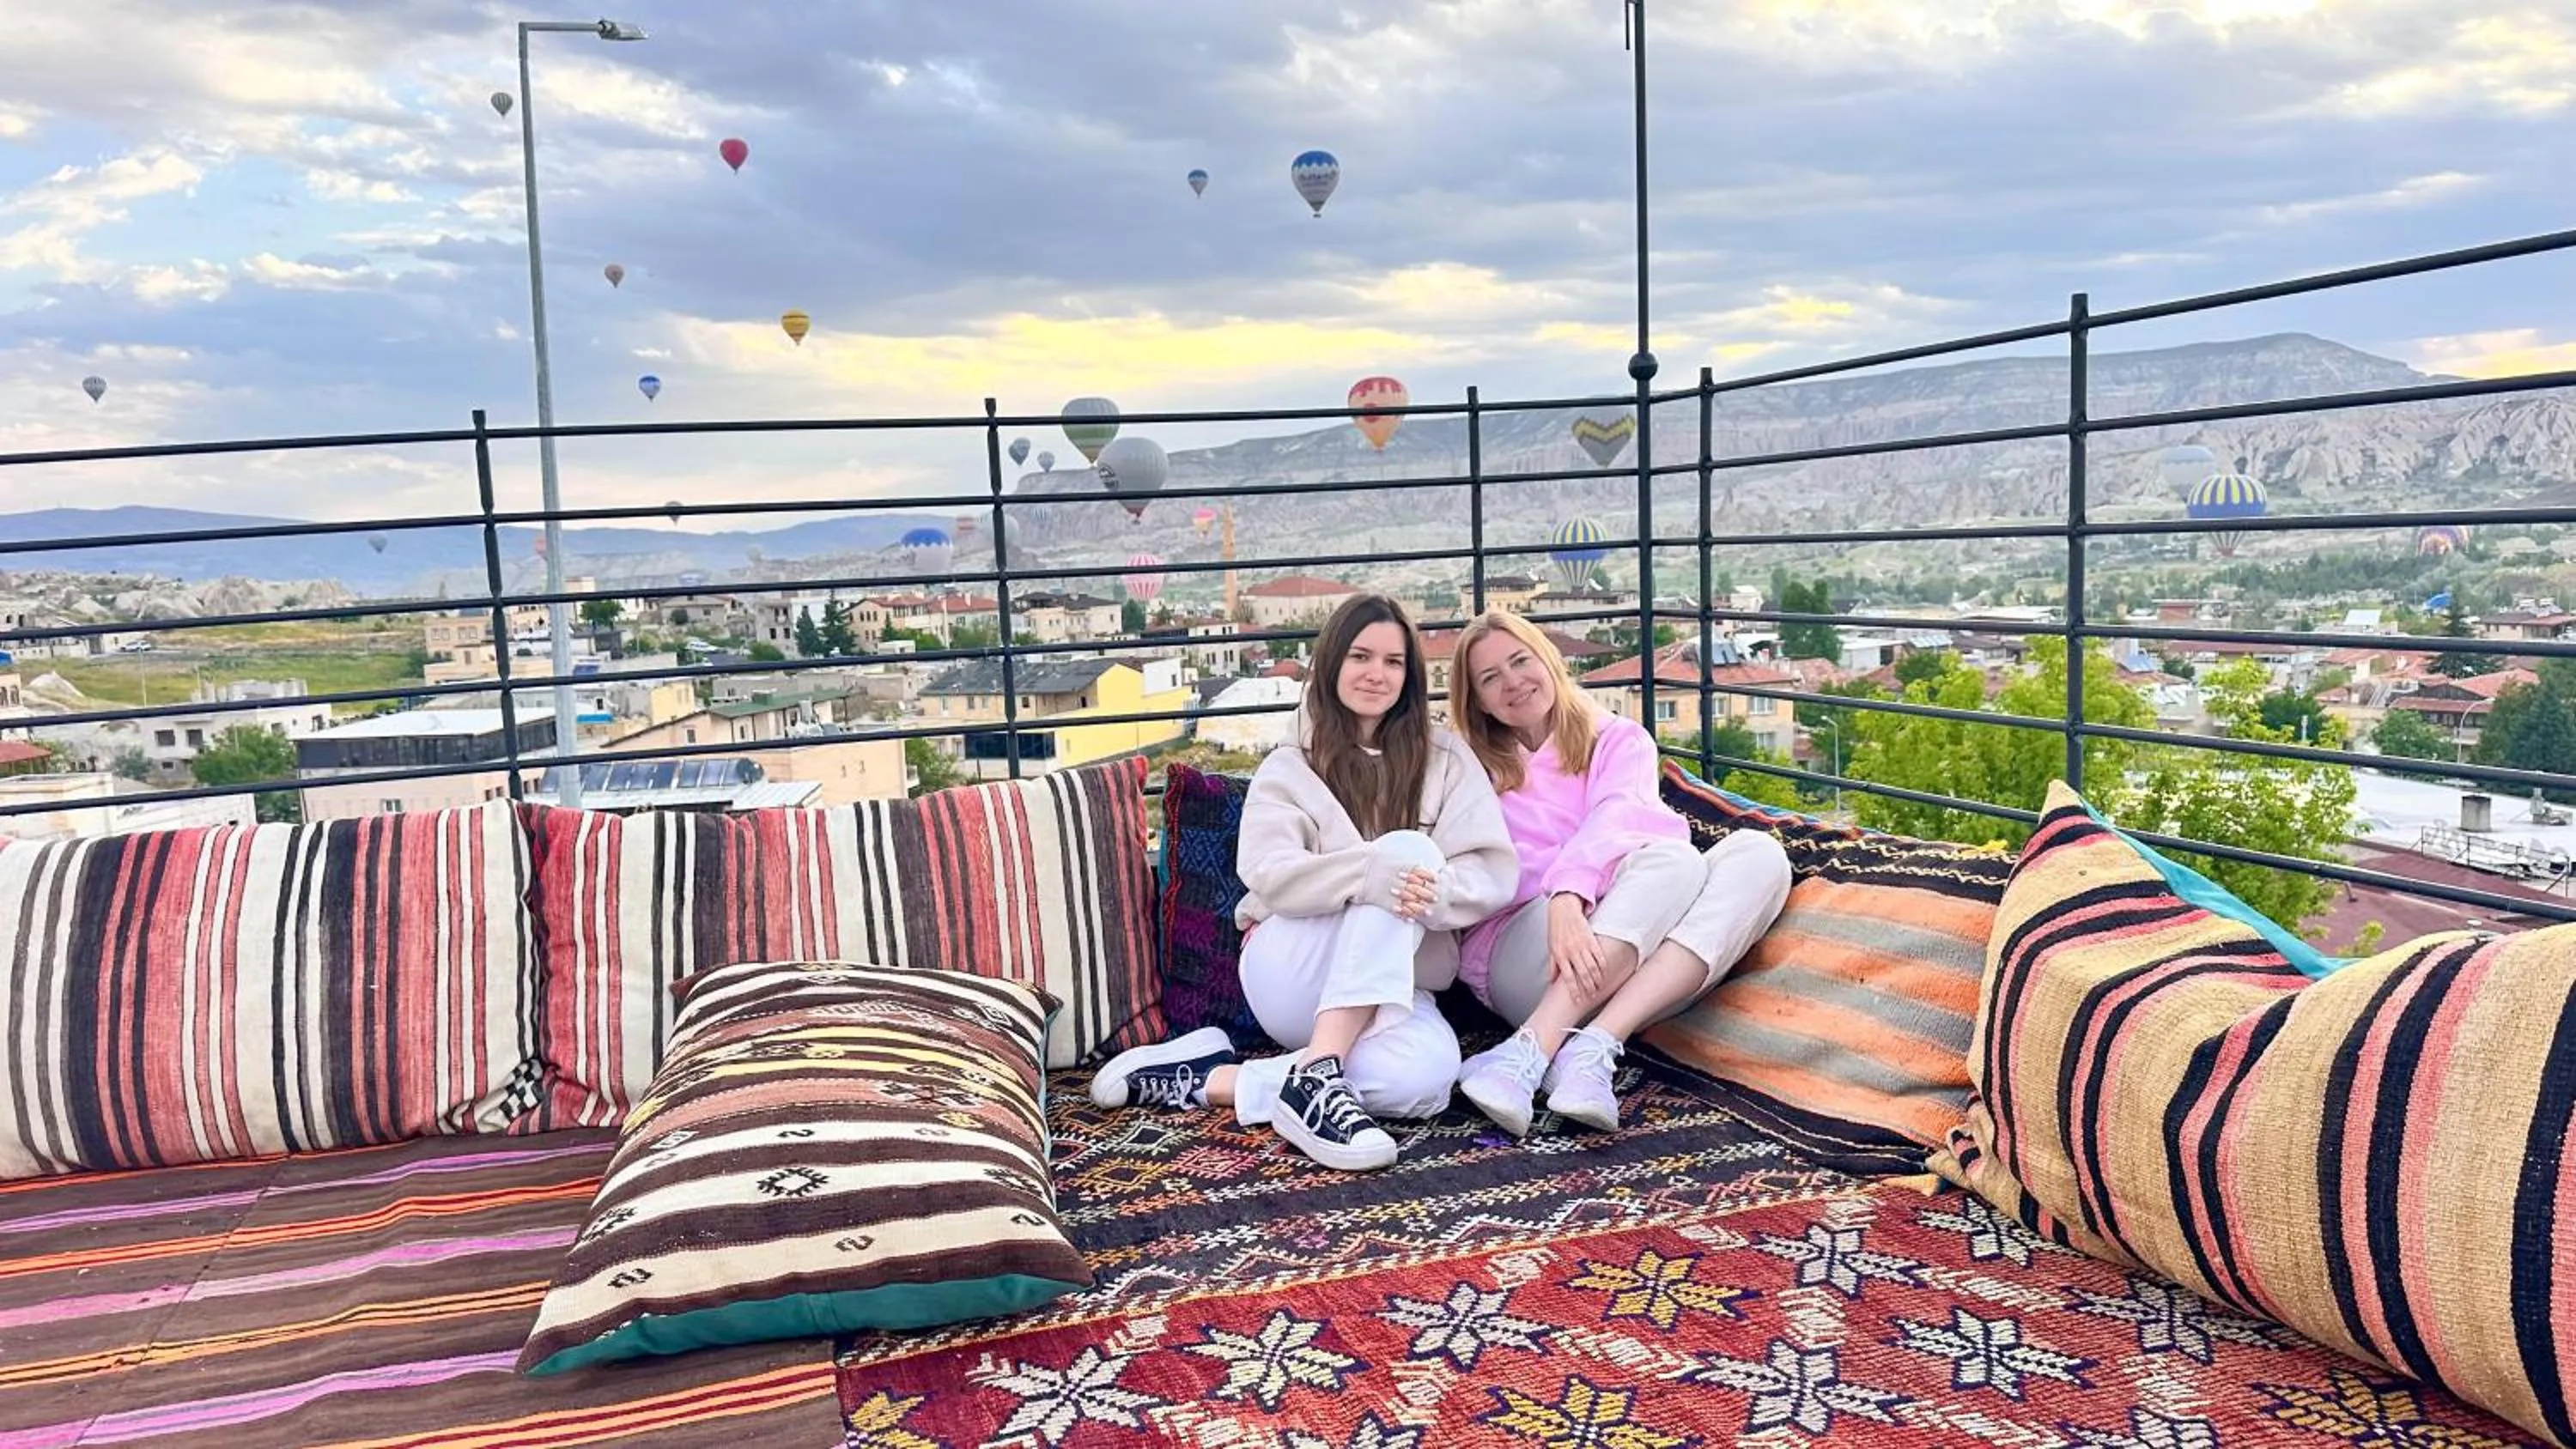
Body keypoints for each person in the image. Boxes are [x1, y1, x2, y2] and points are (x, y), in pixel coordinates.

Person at [1090, 593, 1516, 1171]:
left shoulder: (1446, 757)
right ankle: (1317, 1075)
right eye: (1361, 656)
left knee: (1426, 1082)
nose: (1377, 674)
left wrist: (1430, 892)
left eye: (1394, 662)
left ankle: (1217, 1078)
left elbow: (1490, 869)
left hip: (1397, 978)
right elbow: (1270, 873)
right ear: (1332, 663)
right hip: (1293, 967)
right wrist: (1372, 874)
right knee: (1403, 855)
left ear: (1411, 677)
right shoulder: (1290, 765)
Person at [1445, 609, 1792, 1137]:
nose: (1512, 682)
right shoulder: (1467, 765)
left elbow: (1625, 818)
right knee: (1672, 860)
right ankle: (1533, 1042)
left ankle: (1593, 1045)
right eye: (1490, 678)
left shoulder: (1619, 739)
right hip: (1526, 961)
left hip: (1637, 974)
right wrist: (1566, 894)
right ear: (1477, 700)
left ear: (1548, 659)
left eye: (1520, 660)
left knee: (1759, 854)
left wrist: (1570, 892)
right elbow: (1484, 871)